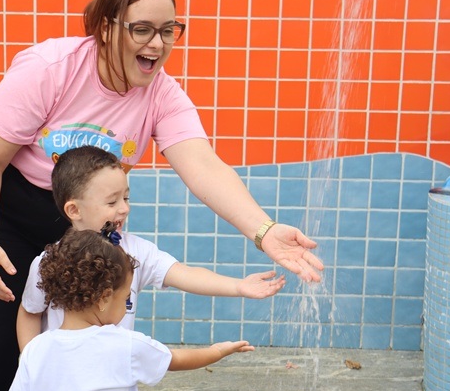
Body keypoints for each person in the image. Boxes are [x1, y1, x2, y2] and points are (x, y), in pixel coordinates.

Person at [0, 0, 324, 391]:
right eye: (142, 29)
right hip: (1, 210)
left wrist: (263, 230)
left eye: (169, 30)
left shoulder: (162, 94)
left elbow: (202, 164)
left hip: (79, 229)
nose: (158, 43)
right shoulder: (50, 69)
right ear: (106, 27)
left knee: (64, 375)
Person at [0, 227, 257, 391]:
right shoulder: (123, 345)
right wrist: (216, 351)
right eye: (125, 300)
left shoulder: (36, 349)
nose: (126, 306)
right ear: (104, 299)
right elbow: (175, 360)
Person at [17, 145, 286, 348]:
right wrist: (30, 362)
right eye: (112, 202)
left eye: (126, 198)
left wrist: (238, 286)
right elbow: (30, 312)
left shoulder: (136, 251)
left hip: (114, 378)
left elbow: (183, 274)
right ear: (74, 210)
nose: (124, 208)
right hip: (61, 380)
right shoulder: (49, 261)